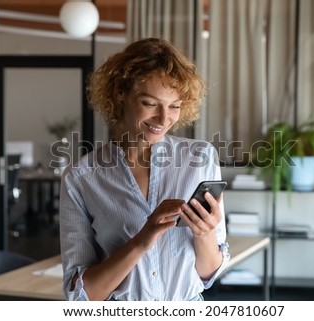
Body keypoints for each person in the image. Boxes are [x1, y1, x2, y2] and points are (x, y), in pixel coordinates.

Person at [59, 37, 230, 301]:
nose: (164, 119)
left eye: (174, 106)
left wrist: (204, 233)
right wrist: (141, 241)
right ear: (120, 93)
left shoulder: (200, 158)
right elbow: (82, 296)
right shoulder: (81, 178)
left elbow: (208, 274)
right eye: (150, 104)